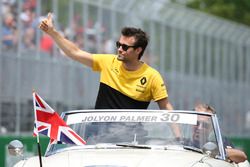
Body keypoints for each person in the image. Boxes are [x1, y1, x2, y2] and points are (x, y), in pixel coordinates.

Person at [39, 13, 174, 111]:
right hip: (101, 136)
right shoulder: (108, 61)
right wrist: (52, 32)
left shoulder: (152, 76)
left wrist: (179, 139)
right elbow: (75, 52)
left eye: (125, 47)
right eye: (118, 44)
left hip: (132, 140)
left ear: (138, 50)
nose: (120, 49)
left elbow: (166, 107)